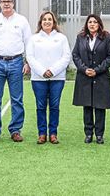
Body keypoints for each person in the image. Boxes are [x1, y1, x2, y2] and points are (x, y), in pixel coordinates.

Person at [0, 0, 32, 142]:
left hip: (16, 62)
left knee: (17, 99)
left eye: (9, 1)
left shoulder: (22, 20)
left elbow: (28, 43)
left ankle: (15, 130)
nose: (6, 4)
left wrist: (27, 62)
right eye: (3, 1)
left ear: (13, 3)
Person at [27, 11, 71, 144]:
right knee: (40, 106)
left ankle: (53, 134)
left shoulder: (61, 38)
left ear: (54, 22)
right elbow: (30, 57)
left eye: (49, 19)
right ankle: (42, 134)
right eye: (44, 19)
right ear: (40, 22)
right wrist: (42, 71)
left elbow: (66, 57)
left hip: (57, 78)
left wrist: (52, 71)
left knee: (54, 106)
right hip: (38, 79)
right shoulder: (34, 38)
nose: (47, 22)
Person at [72, 14, 110, 144]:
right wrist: (84, 69)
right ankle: (88, 133)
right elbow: (75, 55)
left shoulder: (106, 37)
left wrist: (97, 70)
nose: (92, 24)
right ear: (87, 24)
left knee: (100, 107)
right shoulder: (80, 37)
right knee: (87, 106)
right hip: (84, 77)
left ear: (99, 24)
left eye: (95, 22)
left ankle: (99, 134)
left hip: (101, 77)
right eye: (90, 22)